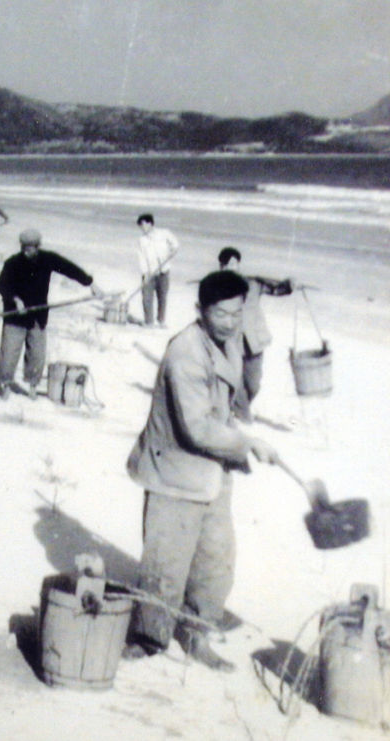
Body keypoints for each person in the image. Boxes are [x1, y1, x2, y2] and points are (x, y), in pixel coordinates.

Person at [123, 270, 280, 671]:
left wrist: (240, 440)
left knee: (216, 561)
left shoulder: (227, 342)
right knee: (166, 564)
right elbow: (196, 427)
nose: (231, 322)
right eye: (222, 314)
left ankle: (195, 633)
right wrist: (248, 443)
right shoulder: (186, 351)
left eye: (238, 313)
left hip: (212, 471)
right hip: (174, 469)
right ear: (200, 310)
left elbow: (227, 405)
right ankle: (149, 638)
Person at [0, 229, 102, 399]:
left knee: (37, 354)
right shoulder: (12, 263)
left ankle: (32, 386)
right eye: (24, 247)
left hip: (38, 315)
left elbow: (69, 269)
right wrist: (15, 299)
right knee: (9, 352)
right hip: (15, 315)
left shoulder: (47, 259)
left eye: (30, 248)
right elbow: (2, 284)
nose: (27, 251)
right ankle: (6, 384)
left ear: (38, 246)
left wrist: (90, 283)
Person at [217, 247, 294, 421]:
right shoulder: (217, 288)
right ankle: (242, 415)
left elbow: (276, 290)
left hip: (254, 340)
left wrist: (289, 286)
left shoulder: (252, 284)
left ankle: (238, 408)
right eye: (227, 265)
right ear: (221, 267)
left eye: (235, 264)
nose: (231, 268)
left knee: (254, 384)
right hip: (231, 341)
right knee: (235, 380)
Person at [136, 213, 179, 327]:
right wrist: (145, 274)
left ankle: (161, 321)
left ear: (150, 224)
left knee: (162, 297)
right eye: (141, 226)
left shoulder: (164, 233)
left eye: (144, 225)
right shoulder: (142, 240)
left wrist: (172, 251)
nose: (142, 228)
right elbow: (141, 258)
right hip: (149, 273)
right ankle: (149, 322)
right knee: (147, 298)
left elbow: (175, 244)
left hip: (164, 271)